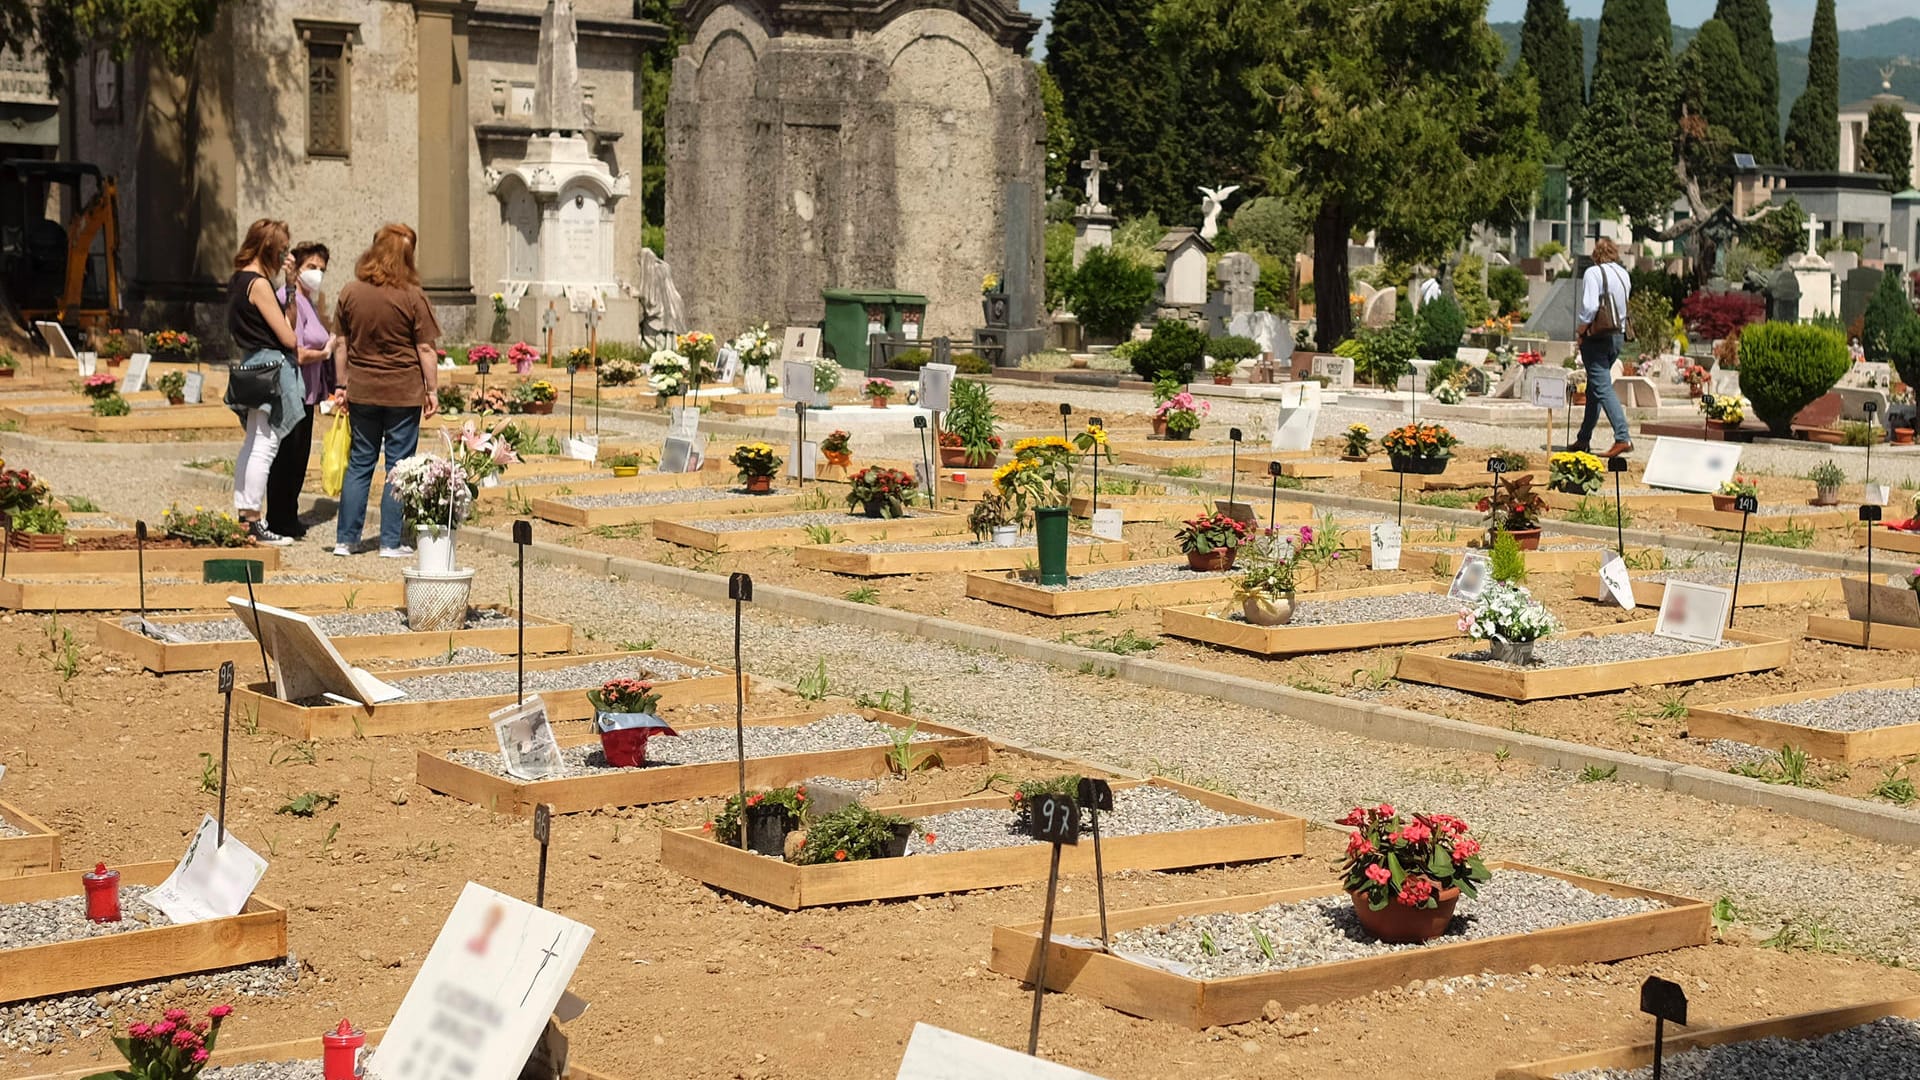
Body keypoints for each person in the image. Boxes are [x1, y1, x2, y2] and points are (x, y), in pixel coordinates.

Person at [331, 223, 441, 557]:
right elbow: (426, 349)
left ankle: (346, 540)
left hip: (362, 388)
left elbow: (340, 344)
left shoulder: (351, 291)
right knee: (399, 465)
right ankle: (391, 542)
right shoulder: (412, 296)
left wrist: (340, 385)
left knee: (360, 463)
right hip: (403, 389)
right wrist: (432, 390)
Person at [224, 219, 306, 547]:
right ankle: (254, 519)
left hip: (251, 362)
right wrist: (289, 290)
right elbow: (288, 334)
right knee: (266, 444)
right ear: (270, 247)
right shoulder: (258, 283)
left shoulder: (238, 279)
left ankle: (245, 514)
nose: (286, 254)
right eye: (284, 248)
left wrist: (289, 286)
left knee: (253, 441)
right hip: (271, 365)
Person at [264, 242, 340, 539]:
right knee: (286, 457)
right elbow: (296, 350)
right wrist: (326, 352)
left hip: (308, 392)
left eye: (322, 269)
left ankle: (288, 515)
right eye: (311, 267)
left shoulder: (311, 301)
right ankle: (278, 518)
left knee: (298, 458)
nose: (317, 273)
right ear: (297, 268)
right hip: (292, 390)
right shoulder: (289, 299)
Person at [1572, 237, 1633, 458]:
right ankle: (1583, 438)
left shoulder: (1593, 273)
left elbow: (1590, 306)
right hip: (1617, 335)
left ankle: (1622, 437)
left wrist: (1580, 332)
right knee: (1594, 389)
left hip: (1596, 336)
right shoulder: (1623, 274)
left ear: (1596, 255)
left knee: (1602, 388)